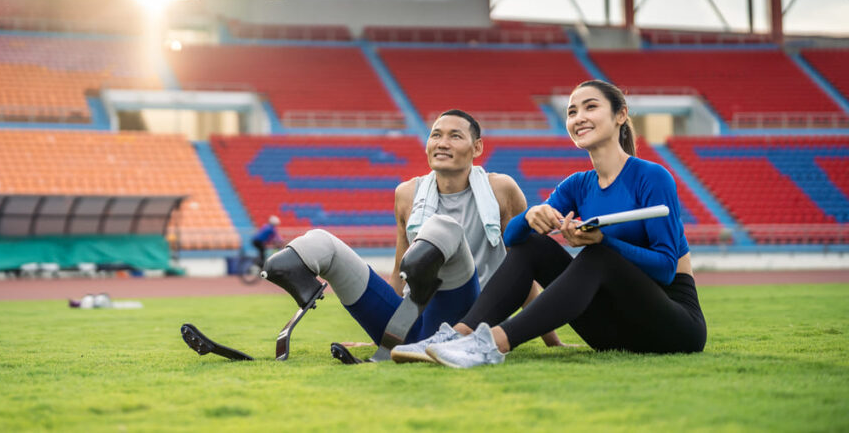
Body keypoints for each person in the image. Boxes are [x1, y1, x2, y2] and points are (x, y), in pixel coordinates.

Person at [403, 80, 707, 368]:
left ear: (620, 115)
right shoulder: (577, 185)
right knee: (532, 243)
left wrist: (603, 241)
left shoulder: (652, 177)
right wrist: (530, 216)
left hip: (673, 326)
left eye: (590, 107)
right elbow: (513, 238)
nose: (579, 117)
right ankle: (459, 336)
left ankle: (492, 343)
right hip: (611, 331)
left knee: (598, 256)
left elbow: (667, 268)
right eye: (572, 112)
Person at [261, 109, 559, 354]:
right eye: (436, 135)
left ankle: (426, 341)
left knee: (443, 229)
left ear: (477, 147)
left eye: (455, 136)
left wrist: (552, 343)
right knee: (320, 242)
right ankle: (285, 265)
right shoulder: (406, 193)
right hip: (416, 320)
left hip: (469, 323)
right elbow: (399, 273)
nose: (442, 143)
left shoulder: (502, 189)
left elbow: (522, 273)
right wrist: (382, 330)